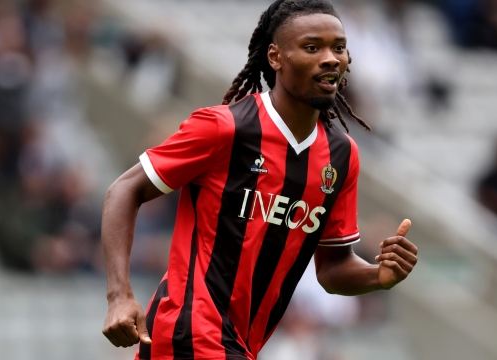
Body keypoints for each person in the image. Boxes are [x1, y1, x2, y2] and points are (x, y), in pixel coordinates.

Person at [101, 1, 419, 359]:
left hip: (241, 345)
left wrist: (379, 276)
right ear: (275, 57)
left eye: (339, 47)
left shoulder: (341, 156)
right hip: (189, 332)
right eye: (312, 47)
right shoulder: (225, 128)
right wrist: (119, 296)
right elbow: (124, 190)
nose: (331, 58)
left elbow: (332, 268)